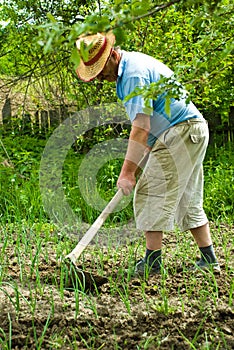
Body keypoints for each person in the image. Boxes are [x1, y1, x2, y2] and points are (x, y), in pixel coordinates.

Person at [75, 31, 220, 276]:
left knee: (149, 190)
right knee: (187, 198)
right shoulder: (130, 69)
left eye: (100, 70)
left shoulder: (132, 74)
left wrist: (127, 173)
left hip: (180, 132)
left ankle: (152, 264)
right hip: (189, 131)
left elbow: (140, 128)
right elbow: (149, 134)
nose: (99, 77)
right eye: (95, 73)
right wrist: (135, 167)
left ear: (112, 55)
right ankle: (209, 259)